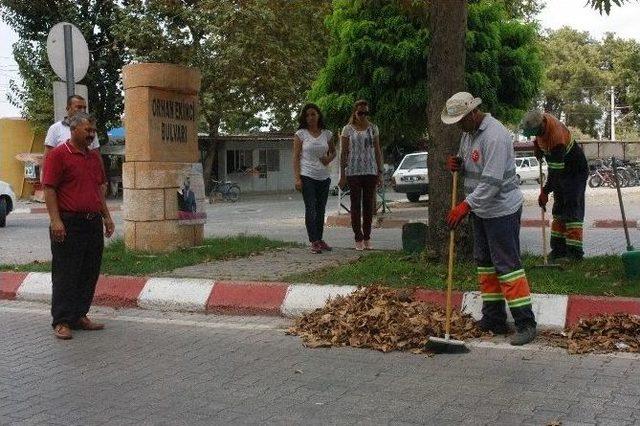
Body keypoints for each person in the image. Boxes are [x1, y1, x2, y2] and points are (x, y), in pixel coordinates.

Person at [442, 92, 537, 346]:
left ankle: (526, 323)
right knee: (485, 264)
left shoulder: (495, 135)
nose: (459, 126)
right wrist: (458, 164)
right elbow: (472, 165)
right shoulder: (468, 133)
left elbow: (492, 181)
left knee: (508, 266)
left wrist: (465, 206)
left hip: (502, 209)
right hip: (481, 211)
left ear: (473, 113)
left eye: (461, 120)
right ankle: (493, 318)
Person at [42, 112, 115, 340]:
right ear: (73, 130)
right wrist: (56, 220)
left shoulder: (93, 157)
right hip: (68, 222)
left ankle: (79, 315)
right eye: (87, 131)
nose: (92, 134)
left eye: (93, 131)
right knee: (66, 273)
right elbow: (49, 189)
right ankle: (62, 320)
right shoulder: (59, 155)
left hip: (92, 222)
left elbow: (98, 190)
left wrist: (107, 216)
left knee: (88, 271)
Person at [521, 111, 589, 261]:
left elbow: (555, 173)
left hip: (574, 172)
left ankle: (575, 254)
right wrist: (536, 145)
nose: (536, 135)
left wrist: (545, 191)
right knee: (558, 210)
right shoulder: (539, 120)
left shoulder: (556, 138)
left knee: (571, 209)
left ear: (543, 125)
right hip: (560, 170)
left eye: (537, 133)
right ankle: (559, 250)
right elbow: (539, 139)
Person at [339, 99, 384, 251]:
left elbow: (377, 151)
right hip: (353, 171)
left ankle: (367, 237)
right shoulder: (347, 129)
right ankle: (358, 237)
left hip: (370, 170)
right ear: (355, 112)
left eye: (366, 112)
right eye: (360, 112)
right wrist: (342, 175)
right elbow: (343, 153)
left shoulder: (373, 128)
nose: (363, 115)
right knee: (356, 205)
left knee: (369, 205)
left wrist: (380, 172)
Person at [293, 103, 336, 253]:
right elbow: (296, 157)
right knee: (310, 209)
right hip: (307, 176)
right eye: (307, 115)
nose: (310, 117)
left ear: (318, 115)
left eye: (313, 114)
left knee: (321, 209)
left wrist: (328, 159)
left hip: (324, 176)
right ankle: (313, 241)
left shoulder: (327, 134)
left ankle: (320, 238)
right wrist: (297, 178)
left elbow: (334, 152)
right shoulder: (301, 134)